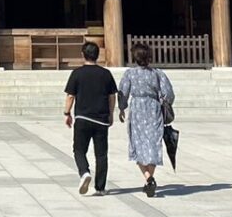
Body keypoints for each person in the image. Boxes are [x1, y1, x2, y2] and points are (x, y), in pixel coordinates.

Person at [117, 42, 176, 197]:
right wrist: (163, 101)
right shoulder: (158, 74)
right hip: (153, 109)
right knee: (153, 144)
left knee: (138, 144)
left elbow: (123, 92)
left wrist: (122, 108)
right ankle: (149, 177)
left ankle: (148, 177)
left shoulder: (130, 74)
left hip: (137, 109)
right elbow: (169, 94)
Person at [63, 41, 117, 195]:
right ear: (98, 55)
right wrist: (111, 113)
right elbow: (112, 96)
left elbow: (70, 96)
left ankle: (84, 172)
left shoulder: (77, 73)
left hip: (82, 118)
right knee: (101, 154)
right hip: (101, 119)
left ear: (82, 55)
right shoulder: (105, 74)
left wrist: (67, 113)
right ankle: (100, 187)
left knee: (79, 150)